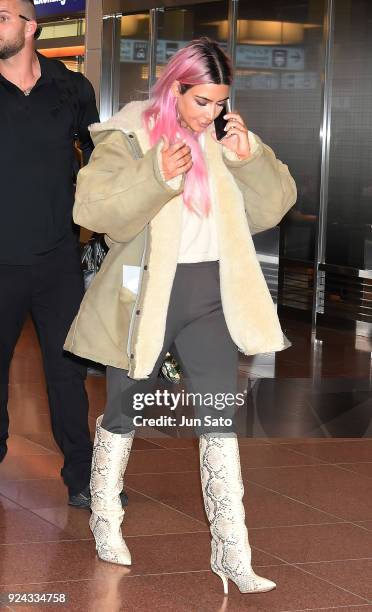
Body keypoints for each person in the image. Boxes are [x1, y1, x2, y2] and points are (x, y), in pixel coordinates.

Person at [64, 38, 297, 594]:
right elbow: (93, 212)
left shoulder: (224, 139)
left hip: (211, 298)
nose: (211, 114)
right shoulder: (128, 137)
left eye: (219, 103)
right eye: (201, 102)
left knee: (220, 423)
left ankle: (233, 555)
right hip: (145, 297)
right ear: (174, 89)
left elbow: (273, 207)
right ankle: (106, 521)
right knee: (123, 412)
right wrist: (156, 175)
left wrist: (248, 157)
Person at [0, 0, 98, 507]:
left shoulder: (72, 88)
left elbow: (102, 163)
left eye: (1, 15)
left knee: (68, 375)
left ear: (31, 26)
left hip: (58, 258)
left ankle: (82, 477)